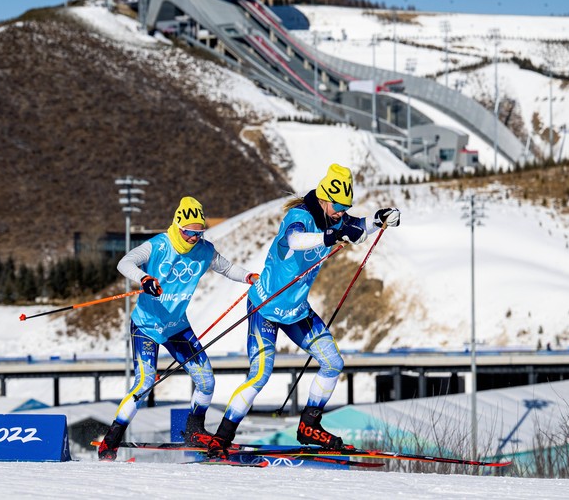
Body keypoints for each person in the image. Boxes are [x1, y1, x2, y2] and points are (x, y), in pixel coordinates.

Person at [206, 164, 399, 457]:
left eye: (346, 207)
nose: (341, 212)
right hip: (266, 307)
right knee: (260, 375)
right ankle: (221, 438)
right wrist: (329, 238)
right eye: (338, 206)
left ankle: (309, 425)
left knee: (333, 362)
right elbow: (296, 242)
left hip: (296, 311)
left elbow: (358, 230)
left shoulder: (336, 218)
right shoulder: (298, 217)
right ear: (323, 199)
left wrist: (379, 218)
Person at [97, 196, 258, 461]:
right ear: (177, 224)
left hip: (177, 328)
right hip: (147, 327)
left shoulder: (205, 250)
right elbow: (124, 262)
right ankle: (111, 440)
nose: (194, 237)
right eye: (189, 232)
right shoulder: (159, 245)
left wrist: (248, 277)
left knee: (206, 380)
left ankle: (194, 431)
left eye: (199, 232)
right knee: (145, 382)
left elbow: (227, 268)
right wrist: (144, 278)